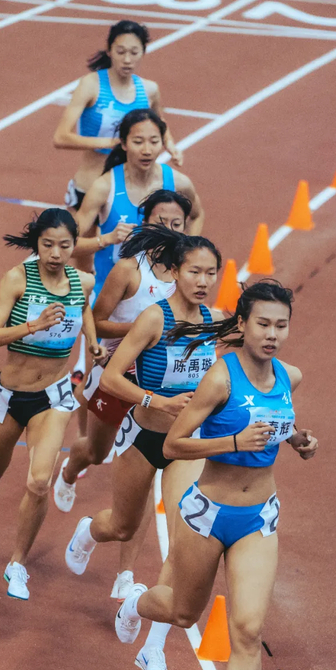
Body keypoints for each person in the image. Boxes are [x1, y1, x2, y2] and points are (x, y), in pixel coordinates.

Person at [113, 281, 318, 670]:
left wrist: (299, 439)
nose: (272, 334)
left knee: (247, 631)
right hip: (208, 514)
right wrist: (232, 441)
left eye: (281, 325)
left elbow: (279, 420)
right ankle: (136, 603)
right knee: (183, 613)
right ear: (243, 325)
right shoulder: (219, 379)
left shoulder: (289, 376)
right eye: (263, 324)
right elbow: (175, 444)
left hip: (259, 518)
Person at [64, 227, 222, 670]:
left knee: (183, 537)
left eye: (211, 273)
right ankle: (88, 531)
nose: (203, 281)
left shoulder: (213, 322)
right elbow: (113, 377)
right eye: (194, 271)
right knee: (122, 526)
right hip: (142, 437)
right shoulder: (154, 318)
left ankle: (153, 648)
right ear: (174, 271)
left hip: (184, 446)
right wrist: (156, 401)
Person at [0, 208, 107, 601]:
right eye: (47, 245)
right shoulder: (17, 279)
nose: (55, 253)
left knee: (39, 482)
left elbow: (84, 310)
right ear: (36, 243)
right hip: (10, 396)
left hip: (54, 397)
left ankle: (17, 564)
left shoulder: (82, 281)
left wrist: (92, 341)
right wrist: (32, 326)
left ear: (75, 246)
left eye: (64, 246)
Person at [54, 190, 193, 602]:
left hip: (157, 388)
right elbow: (96, 321)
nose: (170, 230)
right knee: (96, 452)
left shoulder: (189, 277)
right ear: (145, 221)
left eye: (177, 223)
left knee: (146, 476)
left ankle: (126, 573)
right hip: (115, 376)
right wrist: (144, 331)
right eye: (162, 222)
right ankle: (70, 469)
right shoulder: (129, 270)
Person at [52, 19, 182, 214]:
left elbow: (159, 123)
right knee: (80, 235)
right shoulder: (91, 85)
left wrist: (170, 145)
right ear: (109, 50)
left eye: (134, 52)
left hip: (128, 194)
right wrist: (111, 143)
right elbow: (60, 137)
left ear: (143, 52)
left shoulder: (149, 90)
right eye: (121, 52)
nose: (127, 60)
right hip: (89, 187)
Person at [72, 108, 204, 298]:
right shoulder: (104, 187)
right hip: (111, 297)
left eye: (154, 141)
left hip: (162, 295)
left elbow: (197, 215)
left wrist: (187, 250)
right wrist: (106, 239)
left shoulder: (178, 183)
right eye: (138, 142)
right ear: (123, 143)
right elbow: (69, 244)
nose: (147, 150)